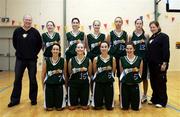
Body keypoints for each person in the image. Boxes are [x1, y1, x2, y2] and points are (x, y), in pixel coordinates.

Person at [8, 14, 42, 107]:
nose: (28, 21)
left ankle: (33, 99)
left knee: (33, 79)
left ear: (31, 21)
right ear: (23, 20)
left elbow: (39, 45)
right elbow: (15, 43)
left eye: (30, 20)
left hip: (32, 60)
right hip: (20, 59)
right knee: (17, 79)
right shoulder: (17, 31)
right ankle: (15, 100)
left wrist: (33, 53)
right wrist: (21, 51)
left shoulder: (35, 32)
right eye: (26, 19)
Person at [147, 21, 170, 108]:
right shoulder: (152, 37)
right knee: (153, 82)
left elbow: (166, 51)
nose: (152, 29)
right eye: (151, 27)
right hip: (152, 65)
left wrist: (165, 63)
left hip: (160, 64)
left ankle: (162, 101)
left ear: (158, 27)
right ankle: (155, 98)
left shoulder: (164, 37)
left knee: (161, 83)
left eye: (154, 27)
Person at [41, 43, 67, 111]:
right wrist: (43, 85)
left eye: (57, 49)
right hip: (49, 85)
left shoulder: (63, 61)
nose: (55, 51)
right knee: (49, 109)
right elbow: (43, 74)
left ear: (59, 51)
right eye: (54, 49)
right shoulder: (46, 61)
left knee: (59, 108)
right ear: (51, 50)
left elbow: (65, 74)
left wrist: (66, 86)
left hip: (59, 85)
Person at [129, 18, 149, 103]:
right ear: (135, 24)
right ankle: (133, 94)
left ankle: (144, 95)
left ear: (142, 25)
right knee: (134, 76)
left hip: (144, 59)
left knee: (144, 78)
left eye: (140, 23)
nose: (139, 25)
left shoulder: (146, 35)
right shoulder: (131, 35)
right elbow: (129, 48)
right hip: (134, 60)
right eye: (137, 23)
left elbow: (148, 47)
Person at [92, 41, 116, 110]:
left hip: (109, 82)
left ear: (108, 48)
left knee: (109, 107)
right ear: (100, 48)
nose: (104, 48)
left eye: (105, 47)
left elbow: (113, 72)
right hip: (99, 82)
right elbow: (95, 71)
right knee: (97, 107)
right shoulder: (96, 59)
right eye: (102, 47)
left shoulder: (113, 59)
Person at [67, 43, 92, 110]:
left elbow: (89, 74)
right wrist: (79, 69)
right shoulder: (71, 60)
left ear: (84, 49)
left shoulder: (88, 60)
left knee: (85, 107)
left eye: (81, 47)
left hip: (84, 84)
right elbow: (70, 73)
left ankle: (82, 99)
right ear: (75, 49)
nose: (80, 49)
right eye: (78, 47)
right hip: (74, 84)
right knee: (71, 107)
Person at [119, 42, 143, 111]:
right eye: (127, 48)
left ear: (134, 49)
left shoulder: (139, 59)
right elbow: (122, 73)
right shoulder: (122, 59)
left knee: (136, 108)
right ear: (125, 49)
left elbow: (140, 73)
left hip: (135, 85)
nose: (129, 50)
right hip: (125, 85)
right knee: (125, 108)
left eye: (131, 48)